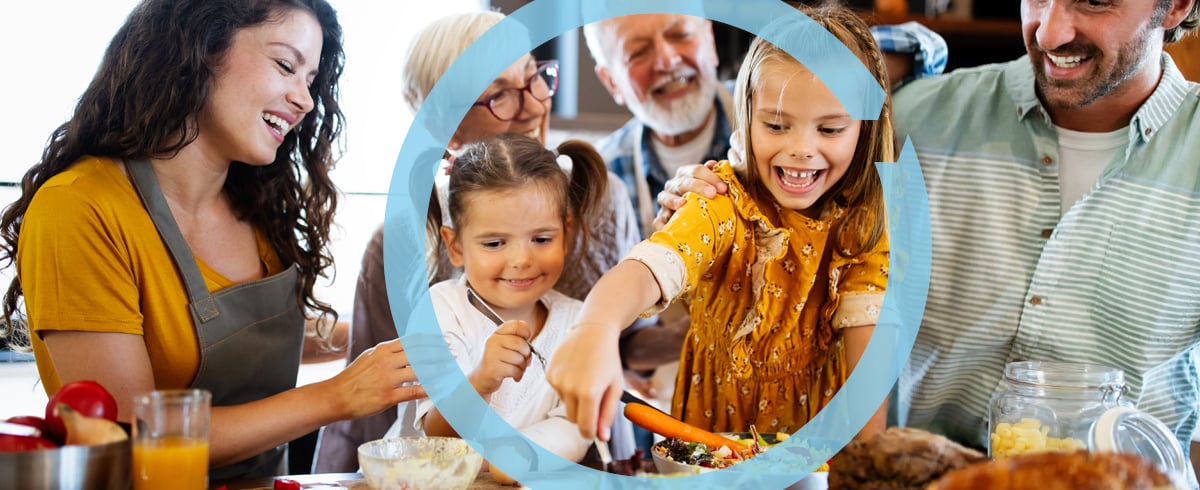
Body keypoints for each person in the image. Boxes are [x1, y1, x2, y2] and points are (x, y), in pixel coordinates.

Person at [656, 0, 1200, 469]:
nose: (1050, 31)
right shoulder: (914, 121)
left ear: (1175, 6)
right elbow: (773, 213)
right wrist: (705, 194)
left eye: (1094, 1)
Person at [0, 0, 424, 479]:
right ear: (200, 47)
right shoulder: (79, 207)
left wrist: (386, 345)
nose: (305, 100)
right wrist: (337, 395)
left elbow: (231, 341)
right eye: (286, 66)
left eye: (311, 81)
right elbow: (126, 435)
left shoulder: (259, 208)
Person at [548, 3, 897, 442]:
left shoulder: (864, 230)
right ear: (746, 119)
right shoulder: (719, 198)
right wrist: (595, 328)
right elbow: (645, 270)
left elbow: (867, 394)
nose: (802, 148)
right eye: (775, 125)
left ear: (864, 130)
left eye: (830, 130)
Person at [313, 10, 641, 473]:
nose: (531, 106)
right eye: (498, 94)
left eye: (534, 79)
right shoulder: (398, 248)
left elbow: (621, 346)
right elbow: (376, 407)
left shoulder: (599, 201)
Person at [416, 133, 608, 483]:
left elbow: (575, 425)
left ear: (565, 233)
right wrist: (481, 380)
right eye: (494, 243)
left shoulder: (580, 322)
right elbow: (436, 435)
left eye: (541, 239)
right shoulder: (441, 310)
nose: (521, 260)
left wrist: (522, 455)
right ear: (455, 246)